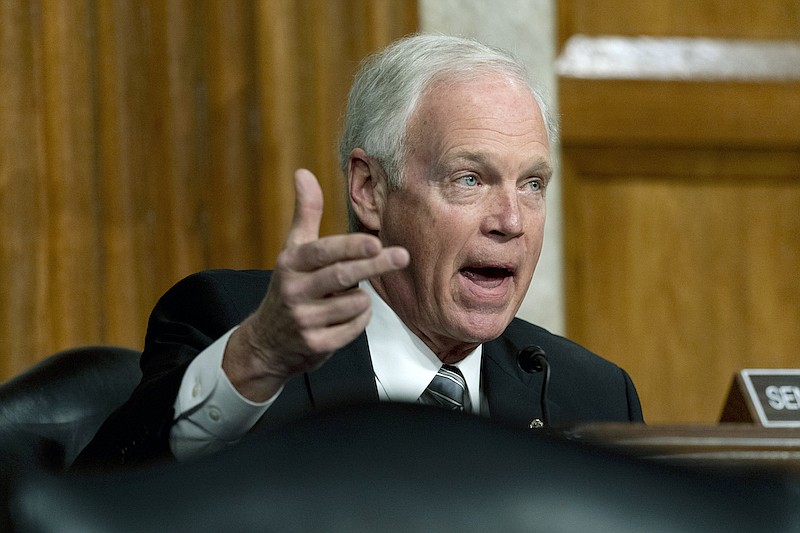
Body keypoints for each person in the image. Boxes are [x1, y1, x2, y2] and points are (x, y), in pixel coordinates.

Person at [75, 34, 643, 469]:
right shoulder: (235, 329)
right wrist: (255, 361)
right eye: (469, 179)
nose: (511, 221)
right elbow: (89, 507)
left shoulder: (591, 394)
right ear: (370, 189)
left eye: (532, 184)